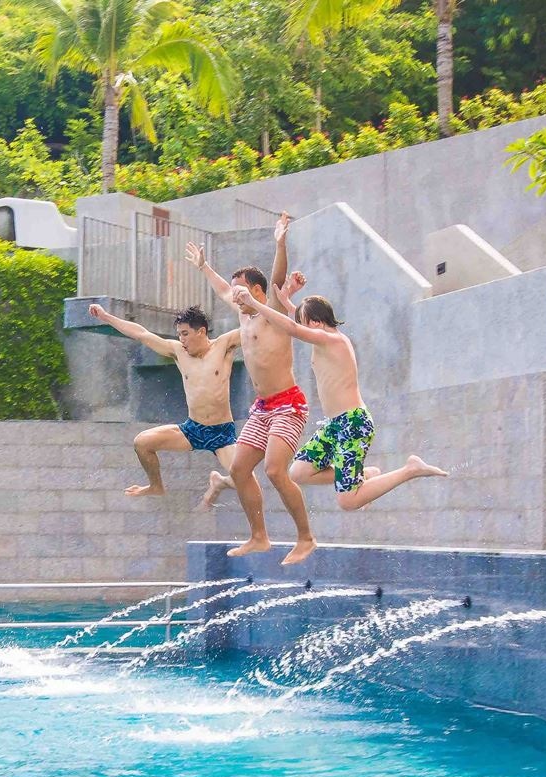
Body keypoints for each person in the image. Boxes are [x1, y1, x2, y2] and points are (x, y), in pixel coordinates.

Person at [229, 286, 448, 509]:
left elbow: (293, 328)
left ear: (316, 322)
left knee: (348, 501)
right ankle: (364, 475)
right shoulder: (324, 337)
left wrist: (255, 304)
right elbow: (300, 323)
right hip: (334, 425)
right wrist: (286, 302)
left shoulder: (333, 340)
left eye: (305, 323)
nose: (303, 328)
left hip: (353, 423)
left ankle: (410, 469)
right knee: (298, 472)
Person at [185, 212, 318, 563]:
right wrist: (204, 267)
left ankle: (306, 538)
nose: (235, 296)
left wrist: (280, 244)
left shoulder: (270, 308)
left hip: (288, 405)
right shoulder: (243, 313)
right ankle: (259, 537)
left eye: (241, 290)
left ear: (258, 291)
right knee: (239, 470)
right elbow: (222, 289)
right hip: (263, 408)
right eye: (236, 291)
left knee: (275, 470)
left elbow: (276, 279)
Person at [86, 303, 239, 497]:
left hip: (222, 433)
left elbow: (256, 327)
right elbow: (141, 334)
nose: (181, 339)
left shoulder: (223, 345)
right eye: (179, 334)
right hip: (193, 429)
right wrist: (106, 317)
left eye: (185, 334)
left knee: (242, 480)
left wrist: (264, 300)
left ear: (201, 331)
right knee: (142, 443)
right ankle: (156, 486)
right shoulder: (177, 351)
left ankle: (219, 483)